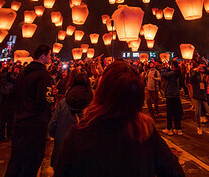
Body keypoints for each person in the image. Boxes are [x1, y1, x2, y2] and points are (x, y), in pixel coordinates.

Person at [54, 61, 184, 176]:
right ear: (138, 98)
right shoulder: (146, 133)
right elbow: (173, 171)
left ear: (101, 93)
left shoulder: (79, 133)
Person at [5, 44, 56, 177]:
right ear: (43, 56)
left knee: (16, 159)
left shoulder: (23, 73)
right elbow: (43, 99)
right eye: (49, 56)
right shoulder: (42, 74)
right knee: (32, 161)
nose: (50, 59)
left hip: (19, 121)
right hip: (35, 123)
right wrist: (52, 99)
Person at [49, 69, 93, 168]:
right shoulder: (94, 105)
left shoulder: (63, 102)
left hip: (63, 151)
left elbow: (52, 125)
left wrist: (59, 137)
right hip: (86, 155)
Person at [161, 60, 183, 135]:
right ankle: (178, 128)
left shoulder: (172, 73)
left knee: (169, 113)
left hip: (171, 95)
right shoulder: (178, 73)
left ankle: (169, 128)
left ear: (173, 66)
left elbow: (163, 74)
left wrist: (165, 68)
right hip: (176, 94)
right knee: (176, 113)